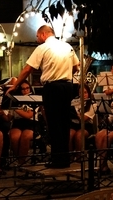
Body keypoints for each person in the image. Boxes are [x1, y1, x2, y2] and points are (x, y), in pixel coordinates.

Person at [6, 25, 80, 168]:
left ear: (44, 34)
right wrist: (63, 71)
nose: (37, 38)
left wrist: (15, 85)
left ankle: (57, 160)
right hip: (68, 86)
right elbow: (76, 67)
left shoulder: (42, 48)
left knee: (54, 123)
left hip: (52, 87)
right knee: (64, 122)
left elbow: (28, 69)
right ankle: (65, 159)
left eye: (37, 36)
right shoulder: (67, 46)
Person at [8, 80, 41, 165]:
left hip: (31, 122)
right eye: (23, 89)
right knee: (14, 137)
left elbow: (29, 115)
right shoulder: (15, 100)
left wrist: (14, 108)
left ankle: (21, 162)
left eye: (27, 88)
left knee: (25, 137)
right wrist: (0, 112)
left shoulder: (34, 99)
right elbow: (9, 118)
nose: (26, 91)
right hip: (18, 122)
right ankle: (18, 158)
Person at [69, 84, 97, 161]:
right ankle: (70, 156)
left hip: (86, 126)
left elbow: (84, 119)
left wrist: (76, 112)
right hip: (75, 124)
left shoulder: (92, 104)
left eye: (85, 92)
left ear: (88, 93)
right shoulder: (74, 102)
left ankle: (80, 157)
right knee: (69, 134)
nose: (83, 95)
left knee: (79, 135)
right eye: (81, 93)